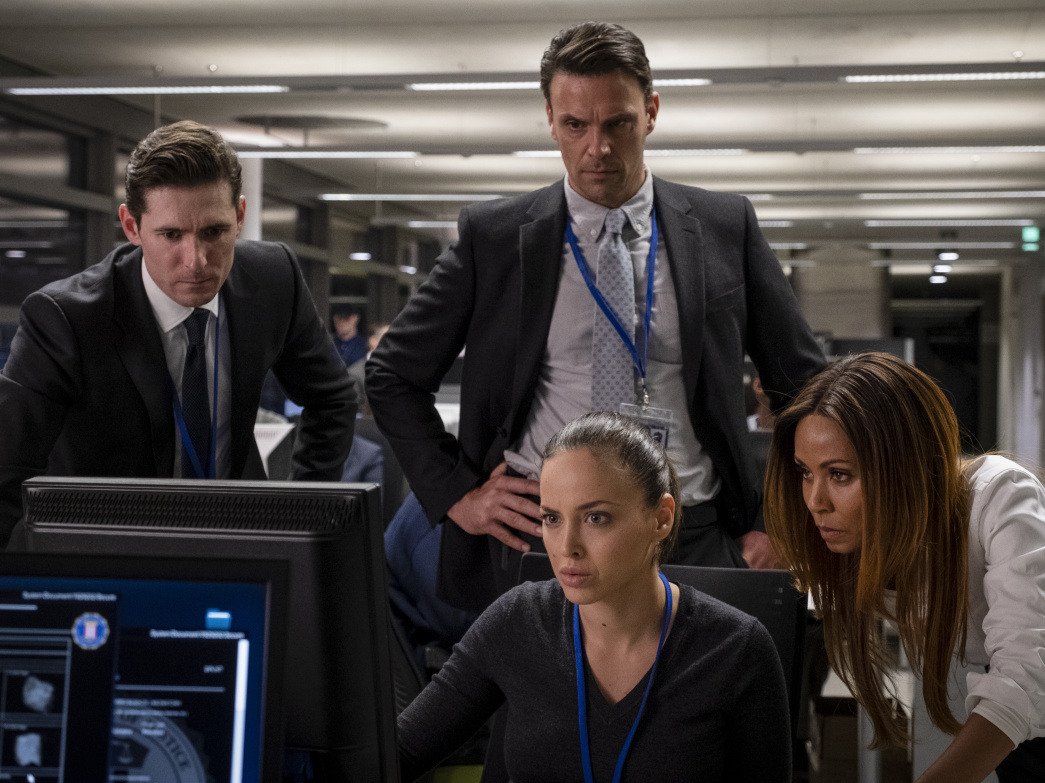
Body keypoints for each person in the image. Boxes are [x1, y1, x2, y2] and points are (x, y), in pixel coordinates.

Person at [367, 20, 825, 612]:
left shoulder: (723, 228)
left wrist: (778, 522)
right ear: (550, 120)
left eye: (618, 124)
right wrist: (459, 495)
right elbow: (392, 375)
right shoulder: (497, 239)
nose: (598, 148)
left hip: (691, 532)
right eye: (575, 125)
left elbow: (806, 389)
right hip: (542, 538)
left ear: (651, 112)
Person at [0, 120, 357, 546]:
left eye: (214, 232)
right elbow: (8, 471)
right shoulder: (65, 319)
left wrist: (305, 516)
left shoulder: (273, 279)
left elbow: (332, 398)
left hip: (241, 538)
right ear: (131, 227)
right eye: (171, 235)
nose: (196, 261)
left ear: (239, 216)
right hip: (112, 546)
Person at [397, 412, 791, 782]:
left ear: (661, 518)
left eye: (596, 518)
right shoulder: (516, 621)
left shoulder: (737, 651)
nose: (567, 546)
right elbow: (401, 752)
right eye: (552, 518)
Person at [764, 352, 1045, 782]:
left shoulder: (999, 495)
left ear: (902, 466)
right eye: (805, 472)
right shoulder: (865, 535)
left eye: (839, 475)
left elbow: (1024, 679)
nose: (816, 501)